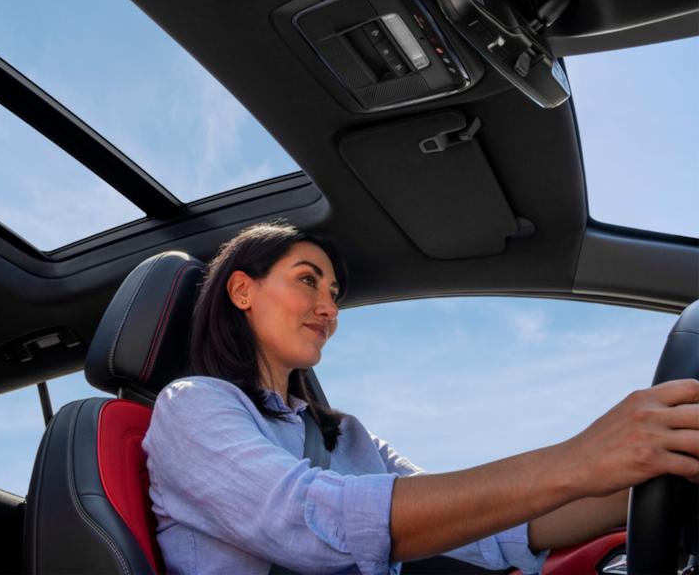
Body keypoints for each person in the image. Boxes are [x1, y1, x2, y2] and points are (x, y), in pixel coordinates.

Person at [142, 222, 699, 575]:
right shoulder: (191, 406)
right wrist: (580, 458)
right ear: (242, 289)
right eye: (308, 281)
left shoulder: (351, 437)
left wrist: (650, 473)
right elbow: (309, 522)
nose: (330, 308)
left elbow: (489, 528)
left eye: (334, 293)